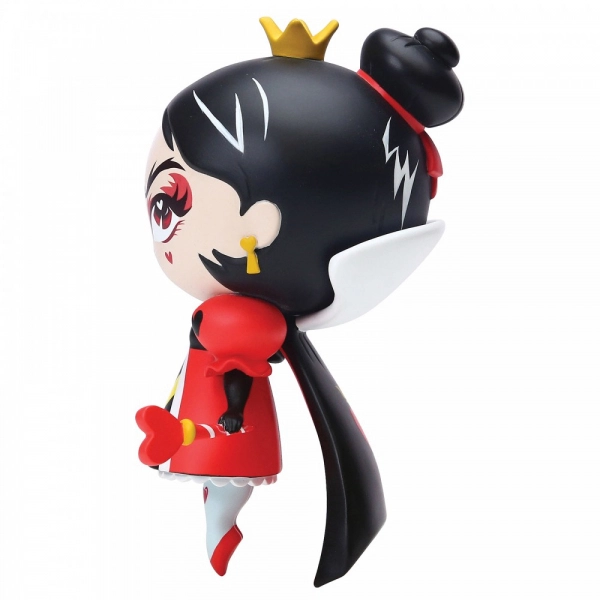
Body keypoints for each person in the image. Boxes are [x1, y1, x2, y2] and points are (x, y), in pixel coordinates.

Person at [136, 17, 463, 586]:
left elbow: (235, 374)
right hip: (213, 431)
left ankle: (221, 532)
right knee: (218, 489)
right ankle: (220, 528)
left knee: (221, 490)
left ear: (257, 228)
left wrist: (222, 414)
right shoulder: (235, 318)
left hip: (222, 433)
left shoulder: (239, 322)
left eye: (171, 202)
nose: (155, 218)